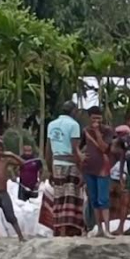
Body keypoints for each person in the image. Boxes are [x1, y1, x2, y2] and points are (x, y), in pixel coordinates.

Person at [45, 101, 84, 237]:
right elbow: (75, 149)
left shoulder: (52, 124)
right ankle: (68, 230)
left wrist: (50, 170)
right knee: (71, 197)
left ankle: (59, 229)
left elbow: (48, 149)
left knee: (59, 197)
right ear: (73, 111)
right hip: (70, 164)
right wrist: (81, 170)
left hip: (56, 163)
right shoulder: (74, 125)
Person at [81, 106, 115, 237]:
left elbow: (104, 147)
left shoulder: (107, 131)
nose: (97, 121)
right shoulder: (85, 131)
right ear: (89, 118)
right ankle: (99, 228)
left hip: (103, 169)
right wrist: (80, 156)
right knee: (94, 199)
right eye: (94, 118)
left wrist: (96, 132)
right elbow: (78, 146)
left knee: (104, 199)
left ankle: (107, 229)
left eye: (99, 118)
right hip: (89, 168)